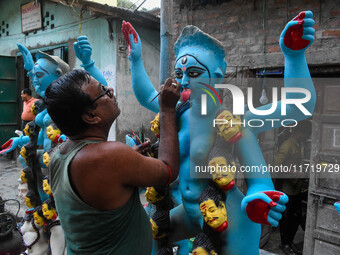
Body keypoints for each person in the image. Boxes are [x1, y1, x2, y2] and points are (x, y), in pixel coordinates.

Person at [122, 10, 315, 254]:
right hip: (190, 212)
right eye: (179, 74)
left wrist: (294, 55)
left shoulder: (234, 120)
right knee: (147, 237)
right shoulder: (174, 113)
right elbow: (146, 94)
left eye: (194, 74)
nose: (183, 82)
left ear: (218, 75)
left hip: (231, 217)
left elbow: (299, 106)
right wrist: (135, 59)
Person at [44, 69, 181, 254]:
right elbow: (168, 171)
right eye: (103, 91)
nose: (110, 90)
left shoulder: (60, 155)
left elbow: (100, 188)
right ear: (91, 116)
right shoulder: (109, 157)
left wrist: (129, 159)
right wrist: (167, 109)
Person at [275, 120, 311, 255]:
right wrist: (295, 172)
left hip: (296, 188)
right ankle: (285, 244)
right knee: (286, 219)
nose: (307, 137)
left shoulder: (298, 145)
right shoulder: (287, 145)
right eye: (306, 134)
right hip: (287, 189)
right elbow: (276, 165)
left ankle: (289, 243)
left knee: (295, 219)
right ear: (300, 133)